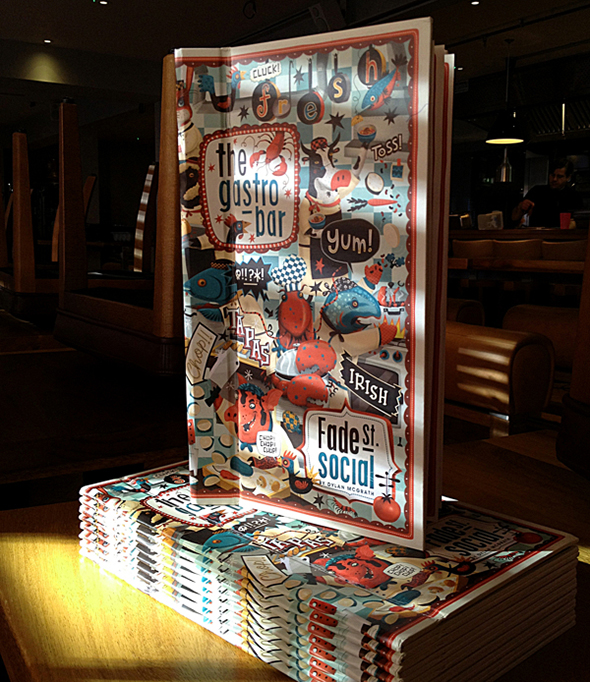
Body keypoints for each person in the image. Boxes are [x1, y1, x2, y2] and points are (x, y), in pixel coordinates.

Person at [511, 158, 583, 227]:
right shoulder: (537, 191)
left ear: (568, 177)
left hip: (562, 234)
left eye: (559, 176)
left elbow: (579, 223)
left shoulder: (574, 196)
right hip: (537, 234)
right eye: (552, 175)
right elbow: (514, 218)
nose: (554, 179)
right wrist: (521, 206)